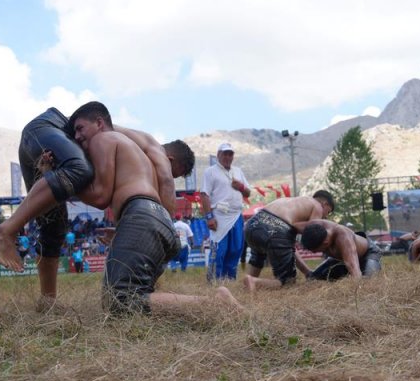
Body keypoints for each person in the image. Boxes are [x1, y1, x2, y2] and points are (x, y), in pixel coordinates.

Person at [0, 103, 190, 309]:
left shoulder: (119, 149)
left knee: (54, 225)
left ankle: (47, 301)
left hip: (44, 139)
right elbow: (165, 179)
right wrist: (167, 226)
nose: (77, 136)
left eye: (80, 130)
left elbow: (100, 195)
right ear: (170, 159)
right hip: (48, 128)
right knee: (78, 170)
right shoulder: (139, 145)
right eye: (174, 172)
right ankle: (5, 231)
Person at [71, 105, 239, 316]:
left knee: (122, 300)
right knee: (120, 298)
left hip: (147, 218)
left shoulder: (149, 149)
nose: (168, 177)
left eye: (80, 129)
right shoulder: (136, 145)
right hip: (144, 220)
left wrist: (164, 225)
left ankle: (216, 303)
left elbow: (166, 181)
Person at [243, 191, 334, 292]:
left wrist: (307, 272)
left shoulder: (294, 201)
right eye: (328, 212)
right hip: (276, 228)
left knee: (258, 256)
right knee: (287, 282)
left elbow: (290, 248)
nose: (326, 217)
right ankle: (254, 282)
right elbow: (312, 233)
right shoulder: (317, 206)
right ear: (325, 204)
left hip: (252, 223)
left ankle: (248, 283)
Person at [200, 143, 251, 282]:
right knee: (219, 251)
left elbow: (248, 192)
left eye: (230, 154)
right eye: (225, 154)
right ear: (218, 155)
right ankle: (214, 283)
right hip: (219, 216)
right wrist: (209, 217)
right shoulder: (210, 171)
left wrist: (240, 186)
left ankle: (230, 281)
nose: (228, 157)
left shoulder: (238, 171)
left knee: (236, 249)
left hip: (236, 215)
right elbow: (204, 194)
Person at [296, 219, 382, 281]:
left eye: (316, 250)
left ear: (325, 243)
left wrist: (357, 286)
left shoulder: (343, 237)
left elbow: (353, 268)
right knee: (313, 278)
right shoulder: (314, 226)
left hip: (369, 253)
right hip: (340, 259)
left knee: (369, 282)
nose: (315, 252)